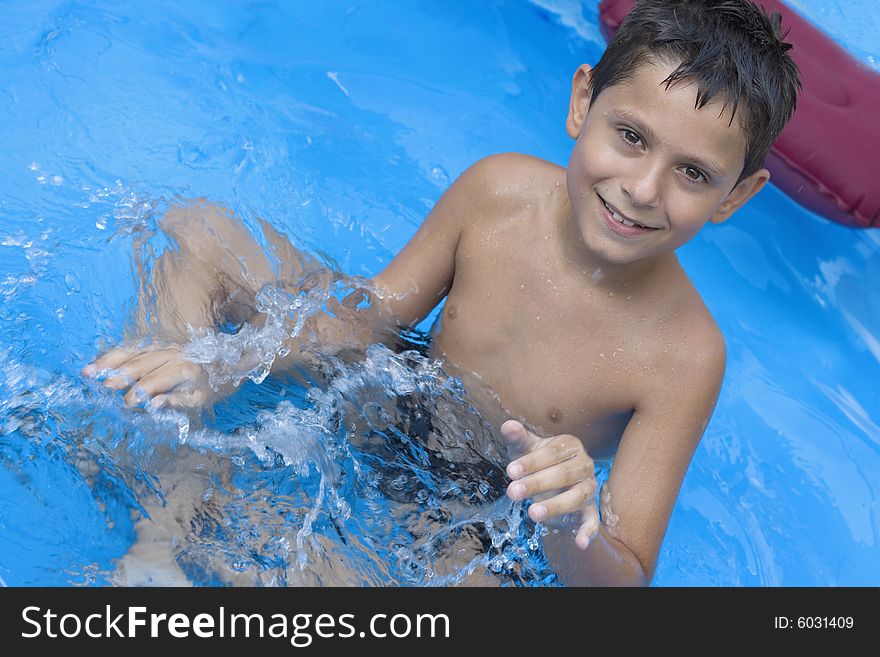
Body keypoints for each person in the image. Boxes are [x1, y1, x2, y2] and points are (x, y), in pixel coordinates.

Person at [82, 0, 800, 586]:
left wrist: (568, 516)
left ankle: (196, 515)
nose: (643, 189)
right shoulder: (498, 192)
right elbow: (370, 320)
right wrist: (224, 362)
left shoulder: (685, 355)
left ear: (737, 195)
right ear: (583, 102)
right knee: (195, 232)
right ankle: (160, 534)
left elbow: (622, 580)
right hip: (402, 397)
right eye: (632, 135)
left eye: (694, 174)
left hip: (479, 516)